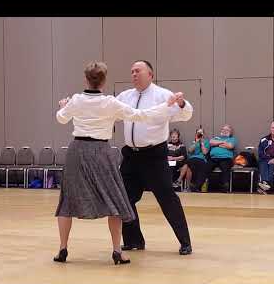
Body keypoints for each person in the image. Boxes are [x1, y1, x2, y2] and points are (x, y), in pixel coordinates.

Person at [54, 61, 180, 265]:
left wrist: (63, 106)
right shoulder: (110, 103)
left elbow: (61, 119)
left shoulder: (76, 100)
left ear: (86, 79)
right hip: (101, 152)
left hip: (77, 151)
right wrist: (167, 105)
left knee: (67, 201)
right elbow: (141, 115)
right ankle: (116, 251)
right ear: (103, 81)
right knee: (114, 199)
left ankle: (62, 249)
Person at [116, 60, 193, 255]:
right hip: (131, 156)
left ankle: (185, 242)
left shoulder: (163, 95)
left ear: (150, 74)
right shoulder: (125, 96)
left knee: (167, 198)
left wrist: (182, 103)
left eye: (138, 71)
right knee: (124, 199)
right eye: (132, 71)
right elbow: (108, 110)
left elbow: (185, 114)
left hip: (154, 156)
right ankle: (134, 241)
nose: (134, 74)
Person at [207, 125, 237, 193]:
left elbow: (230, 146)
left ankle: (225, 186)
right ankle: (197, 185)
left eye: (226, 130)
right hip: (213, 158)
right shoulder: (216, 137)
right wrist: (222, 142)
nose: (224, 131)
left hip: (225, 158)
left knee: (225, 167)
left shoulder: (232, 139)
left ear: (230, 132)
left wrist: (217, 144)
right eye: (223, 129)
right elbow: (211, 142)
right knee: (206, 167)